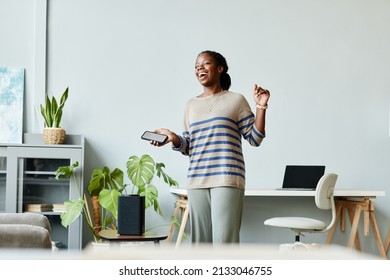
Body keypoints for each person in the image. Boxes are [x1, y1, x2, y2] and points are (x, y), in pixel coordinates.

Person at [150, 50, 270, 244]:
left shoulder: (236, 100)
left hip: (227, 178)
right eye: (197, 66)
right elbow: (189, 146)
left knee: (225, 243)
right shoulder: (191, 105)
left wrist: (261, 107)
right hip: (197, 180)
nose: (199, 68)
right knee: (200, 245)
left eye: (205, 64)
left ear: (220, 69)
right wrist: (173, 138)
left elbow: (255, 138)